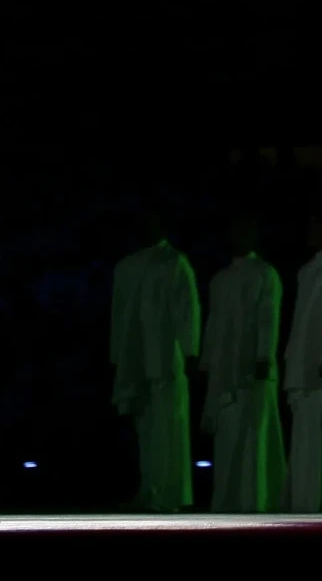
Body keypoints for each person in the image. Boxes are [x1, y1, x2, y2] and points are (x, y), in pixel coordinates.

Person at [110, 208, 200, 512]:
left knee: (168, 428)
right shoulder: (127, 266)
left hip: (165, 359)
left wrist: (190, 351)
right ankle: (150, 490)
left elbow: (186, 310)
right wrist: (117, 356)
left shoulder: (174, 262)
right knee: (147, 430)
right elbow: (119, 314)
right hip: (135, 359)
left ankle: (168, 494)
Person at [198, 212, 286, 511]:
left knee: (252, 437)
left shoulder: (265, 273)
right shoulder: (221, 279)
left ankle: (255, 501)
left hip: (252, 372)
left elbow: (268, 317)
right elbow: (213, 324)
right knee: (227, 438)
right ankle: (228, 501)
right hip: (225, 373)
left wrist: (264, 356)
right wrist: (206, 362)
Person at [282, 194, 322, 512]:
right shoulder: (309, 271)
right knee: (305, 453)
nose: (310, 230)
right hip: (304, 377)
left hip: (317, 376)